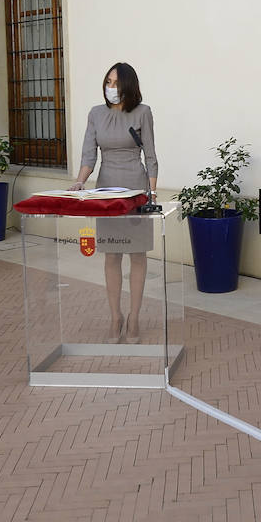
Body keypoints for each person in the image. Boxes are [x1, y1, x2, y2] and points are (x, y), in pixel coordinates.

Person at [69, 62, 158, 344]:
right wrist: (80, 182)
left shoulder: (143, 112)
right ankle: (115, 316)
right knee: (111, 255)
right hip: (106, 189)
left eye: (116, 83)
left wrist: (152, 194)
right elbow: (88, 155)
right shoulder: (96, 114)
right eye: (108, 81)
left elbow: (151, 156)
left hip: (135, 188)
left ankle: (134, 317)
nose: (111, 88)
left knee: (138, 255)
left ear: (128, 86)